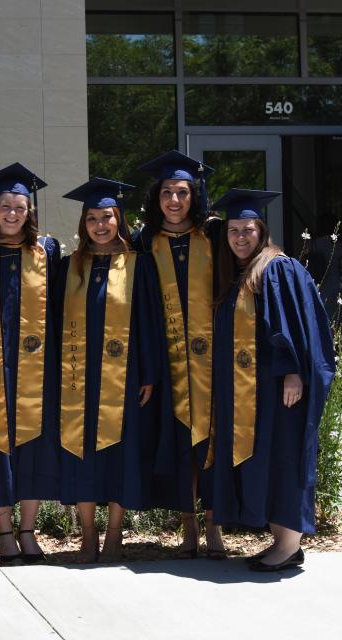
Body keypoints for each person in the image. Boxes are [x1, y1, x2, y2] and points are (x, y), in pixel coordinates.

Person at [210, 189, 335, 571]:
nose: (240, 237)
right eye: (233, 231)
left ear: (261, 230)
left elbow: (293, 327)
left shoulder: (278, 268)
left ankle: (289, 543)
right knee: (273, 457)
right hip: (259, 390)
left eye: (247, 229)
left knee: (285, 457)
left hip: (281, 387)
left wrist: (293, 373)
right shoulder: (246, 272)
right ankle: (283, 542)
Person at [58, 178, 164, 562]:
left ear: (119, 220)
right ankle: (88, 535)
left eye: (107, 217)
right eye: (92, 219)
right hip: (77, 380)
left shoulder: (140, 265)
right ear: (83, 224)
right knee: (81, 454)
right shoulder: (69, 267)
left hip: (126, 378)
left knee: (124, 453)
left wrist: (150, 373)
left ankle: (114, 535)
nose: (100, 225)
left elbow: (152, 322)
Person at [0, 163, 61, 565]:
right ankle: (4, 531)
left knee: (36, 448)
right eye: (5, 205)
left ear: (29, 211)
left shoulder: (47, 252)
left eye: (19, 206)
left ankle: (28, 530)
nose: (11, 213)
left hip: (37, 369)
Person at [134, 151, 226, 559]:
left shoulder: (217, 236)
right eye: (167, 192)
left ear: (195, 196)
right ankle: (188, 527)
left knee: (214, 444)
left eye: (183, 192)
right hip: (167, 362)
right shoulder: (143, 243)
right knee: (180, 445)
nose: (174, 200)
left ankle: (215, 527)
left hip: (214, 363)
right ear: (157, 197)